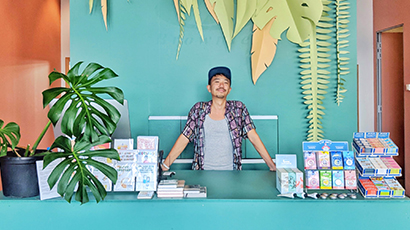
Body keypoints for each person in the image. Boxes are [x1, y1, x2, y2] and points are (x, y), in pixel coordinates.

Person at [161, 66, 276, 171]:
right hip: (201, 174)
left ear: (229, 89)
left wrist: (272, 166)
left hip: (232, 174)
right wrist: (165, 166)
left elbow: (253, 137)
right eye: (217, 82)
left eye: (225, 82)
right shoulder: (198, 109)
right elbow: (184, 138)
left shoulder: (239, 109)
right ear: (209, 88)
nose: (221, 85)